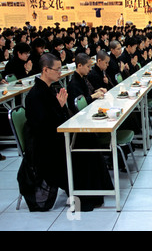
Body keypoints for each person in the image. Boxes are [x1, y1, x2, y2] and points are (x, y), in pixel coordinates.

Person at [24, 53, 113, 211]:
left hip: (56, 136)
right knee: (85, 146)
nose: (60, 73)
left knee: (89, 139)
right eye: (57, 69)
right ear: (45, 70)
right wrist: (59, 107)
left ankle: (97, 192)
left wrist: (60, 108)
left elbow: (60, 117)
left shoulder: (50, 89)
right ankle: (86, 195)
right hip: (46, 147)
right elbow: (44, 127)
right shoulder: (35, 95)